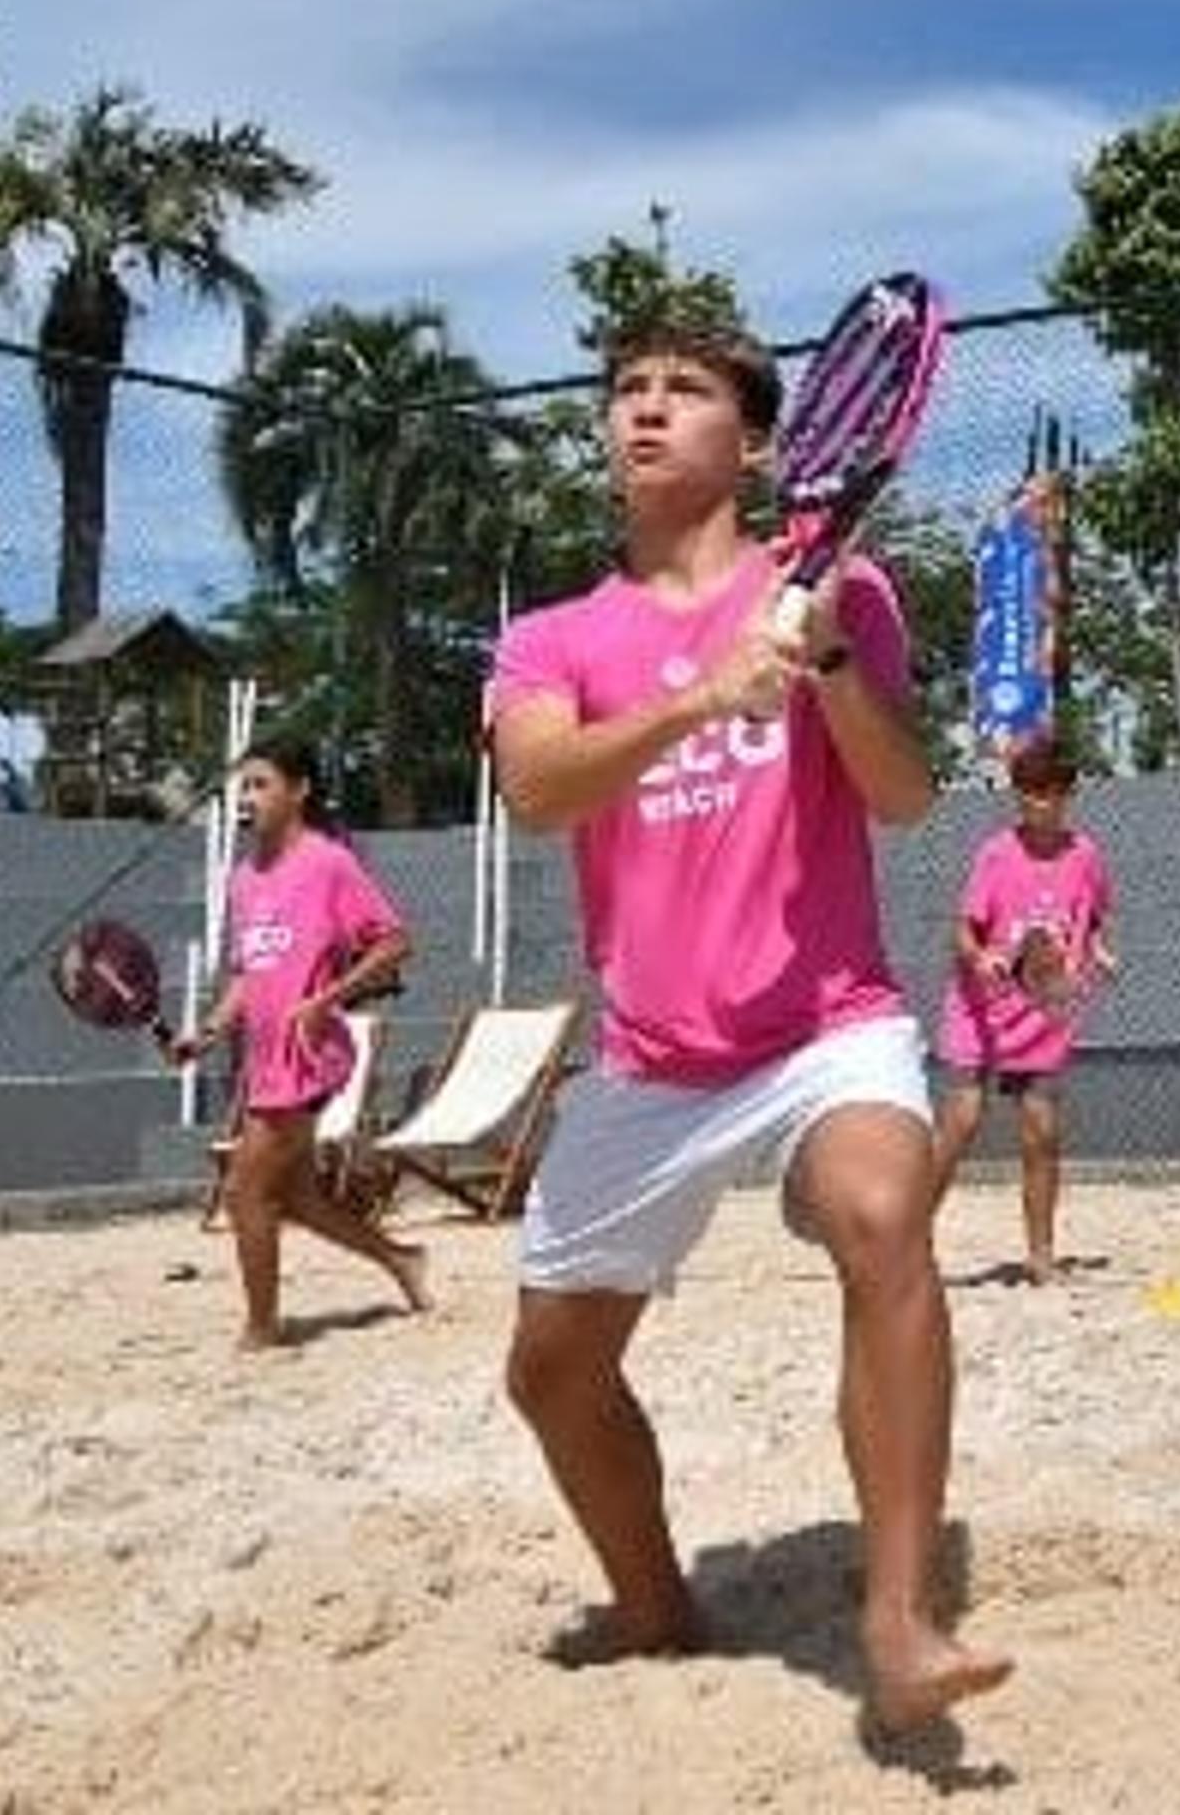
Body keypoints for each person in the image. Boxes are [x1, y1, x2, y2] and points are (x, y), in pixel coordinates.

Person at [485, 313, 1009, 1734]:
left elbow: (902, 800)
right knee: (551, 1373)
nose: (644, 411)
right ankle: (655, 1605)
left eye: (686, 390)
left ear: (762, 441)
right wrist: (704, 696)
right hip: (650, 1060)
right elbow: (540, 789)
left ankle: (898, 1620)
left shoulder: (841, 589)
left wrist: (831, 661)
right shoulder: (552, 637)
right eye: (627, 391)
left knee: (883, 1211)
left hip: (825, 1026)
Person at [169, 734, 430, 1349]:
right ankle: (401, 1259)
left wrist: (327, 998)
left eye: (260, 784)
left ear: (299, 790)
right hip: (264, 1062)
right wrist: (206, 1033)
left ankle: (262, 1329)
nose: (248, 797)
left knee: (243, 1191)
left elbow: (394, 941)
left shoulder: (328, 863)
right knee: (295, 1197)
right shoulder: (243, 878)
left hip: (311, 1057)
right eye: (243, 786)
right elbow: (245, 975)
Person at [929, 732, 1116, 1283]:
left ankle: (1040, 1256)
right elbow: (963, 929)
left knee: (1042, 1132)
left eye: (1049, 792)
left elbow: (1097, 915)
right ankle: (909, 1235)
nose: (1038, 802)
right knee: (960, 1123)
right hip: (981, 1011)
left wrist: (1100, 951)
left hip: (1042, 1015)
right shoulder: (996, 853)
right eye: (1028, 792)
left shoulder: (1085, 855)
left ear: (1067, 794)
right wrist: (982, 955)